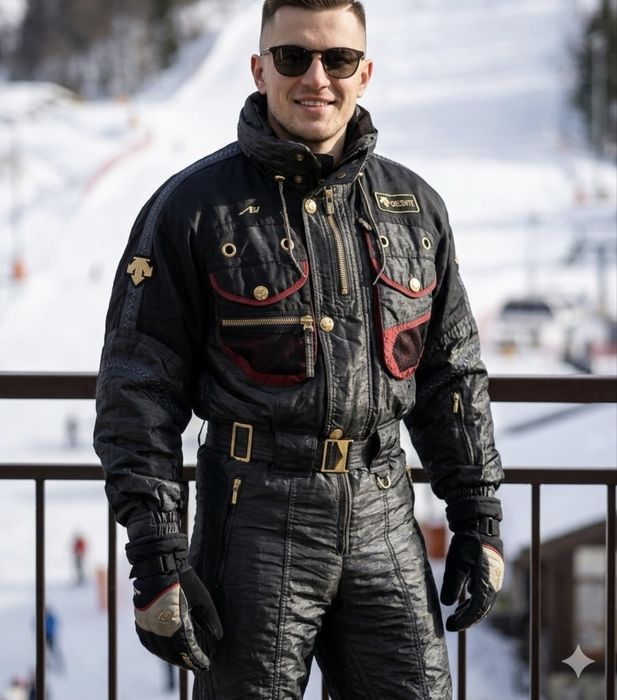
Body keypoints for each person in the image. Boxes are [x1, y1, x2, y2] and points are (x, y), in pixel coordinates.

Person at [94, 1, 505, 697]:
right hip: (252, 521)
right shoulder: (192, 208)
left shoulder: (415, 208)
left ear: (364, 73)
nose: (316, 77)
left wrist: (477, 515)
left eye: (337, 59)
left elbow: (450, 376)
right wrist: (156, 551)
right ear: (259, 70)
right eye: (293, 57)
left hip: (384, 514)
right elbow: (138, 389)